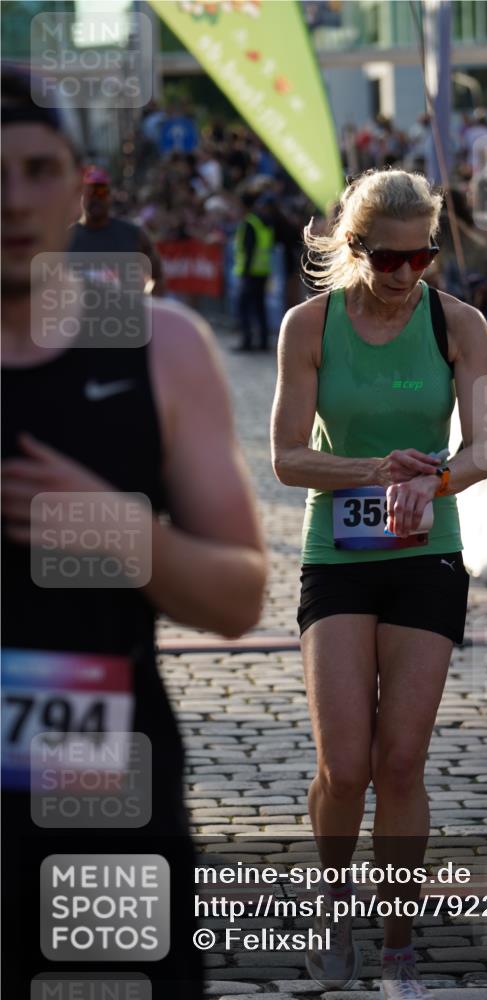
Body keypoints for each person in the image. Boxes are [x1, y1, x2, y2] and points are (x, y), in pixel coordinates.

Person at [1, 67, 267, 997]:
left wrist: (124, 533)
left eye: (38, 169)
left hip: (101, 793)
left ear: (79, 183)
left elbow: (240, 598)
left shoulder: (157, 344)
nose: (13, 200)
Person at [270, 169, 487, 999]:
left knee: (400, 763)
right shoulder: (309, 326)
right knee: (345, 765)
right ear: (355, 248)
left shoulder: (459, 325)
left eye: (423, 256)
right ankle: (334, 912)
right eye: (390, 259)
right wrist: (374, 469)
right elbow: (287, 456)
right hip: (336, 556)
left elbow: (481, 452)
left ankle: (396, 944)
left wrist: (429, 484)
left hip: (426, 553)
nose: (407, 275)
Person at [69, 164, 167, 295]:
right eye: (89, 192)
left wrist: (145, 305)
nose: (96, 197)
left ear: (110, 195)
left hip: (124, 314)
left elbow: (158, 277)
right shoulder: (65, 238)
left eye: (101, 191)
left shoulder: (133, 234)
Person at [233, 189, 275, 351]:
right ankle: (263, 342)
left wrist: (244, 272)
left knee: (245, 308)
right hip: (262, 271)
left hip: (249, 272)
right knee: (259, 308)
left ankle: (247, 341)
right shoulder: (264, 221)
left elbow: (248, 249)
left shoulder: (249, 223)